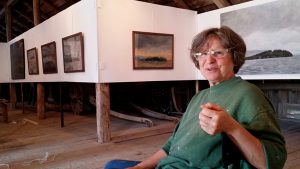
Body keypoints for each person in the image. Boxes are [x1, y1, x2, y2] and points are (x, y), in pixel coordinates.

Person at [104, 26, 287, 169]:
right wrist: (141, 166)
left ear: (235, 57)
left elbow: (272, 162)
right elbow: (170, 147)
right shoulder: (199, 97)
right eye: (203, 54)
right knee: (111, 165)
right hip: (169, 165)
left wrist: (232, 128)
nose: (209, 60)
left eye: (218, 53)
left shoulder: (248, 94)